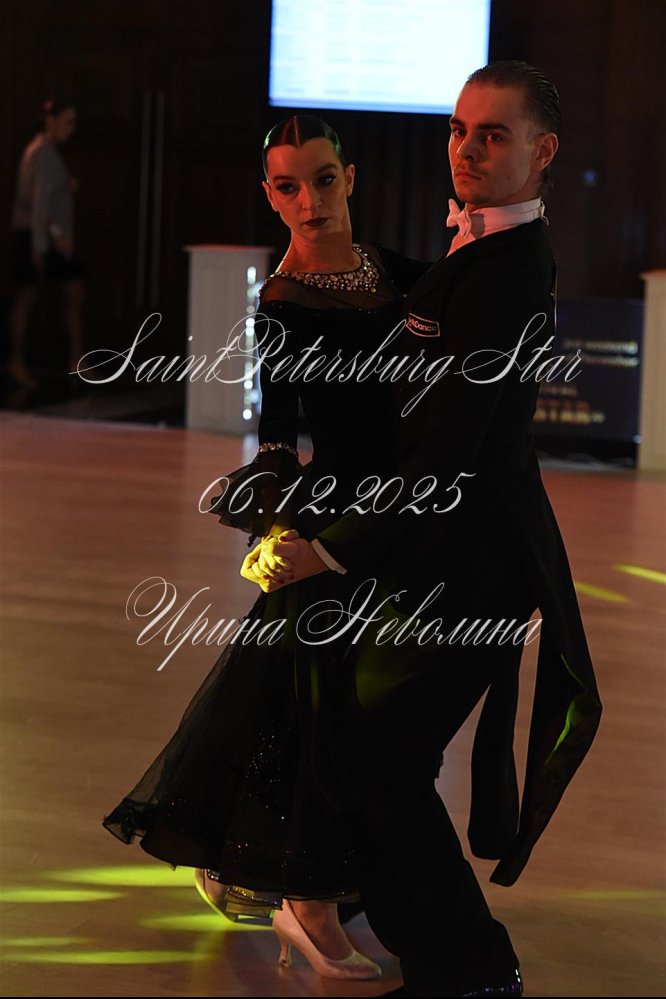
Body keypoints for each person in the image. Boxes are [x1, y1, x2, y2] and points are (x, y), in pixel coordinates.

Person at [249, 62, 603, 997]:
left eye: (494, 133)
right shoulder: (479, 253)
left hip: (471, 561)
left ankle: (471, 968)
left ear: (543, 151)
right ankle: (420, 944)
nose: (468, 148)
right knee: (366, 751)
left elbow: (444, 452)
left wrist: (328, 549)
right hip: (439, 550)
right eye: (459, 129)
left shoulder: (505, 272)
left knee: (374, 757)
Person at [102, 114, 428, 981]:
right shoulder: (282, 301)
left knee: (368, 708)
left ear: (349, 178)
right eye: (289, 186)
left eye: (322, 179)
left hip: (403, 514)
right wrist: (282, 526)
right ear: (270, 196)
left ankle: (332, 881)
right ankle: (304, 900)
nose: (309, 200)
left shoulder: (396, 270)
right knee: (314, 706)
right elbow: (278, 433)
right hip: (335, 517)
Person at [8, 98, 85, 388]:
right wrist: (46, 242)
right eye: (67, 122)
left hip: (43, 236)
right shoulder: (43, 155)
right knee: (28, 296)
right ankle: (17, 359)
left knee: (70, 292)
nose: (71, 129)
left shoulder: (46, 153)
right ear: (51, 121)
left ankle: (76, 358)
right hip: (39, 236)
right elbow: (39, 204)